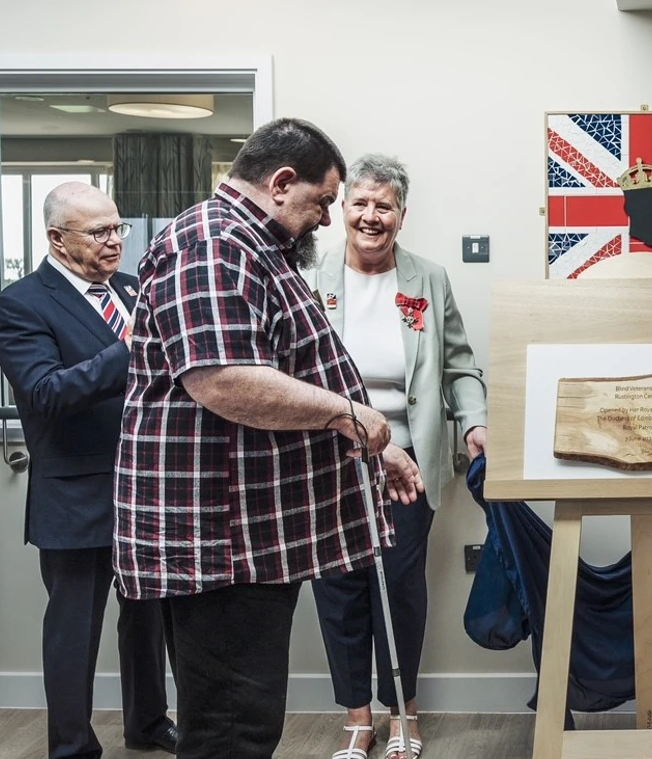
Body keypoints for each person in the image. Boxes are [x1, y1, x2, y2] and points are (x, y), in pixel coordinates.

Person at [113, 118, 422, 759]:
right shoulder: (212, 244)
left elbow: (290, 366)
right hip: (222, 542)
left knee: (246, 721)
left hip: (248, 538)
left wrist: (378, 446)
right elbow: (224, 381)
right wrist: (347, 413)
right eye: (324, 202)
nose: (329, 221)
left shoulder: (250, 247)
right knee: (233, 730)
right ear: (282, 184)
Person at [305, 154, 487, 759]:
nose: (371, 216)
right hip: (328, 456)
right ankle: (358, 720)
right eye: (360, 203)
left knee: (400, 585)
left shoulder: (427, 279)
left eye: (384, 205)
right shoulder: (308, 275)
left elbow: (459, 364)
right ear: (342, 210)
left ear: (402, 216)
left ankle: (404, 713)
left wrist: (475, 424)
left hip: (408, 460)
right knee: (339, 586)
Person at [0, 182, 178, 757]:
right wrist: (133, 347)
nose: (116, 241)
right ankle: (71, 745)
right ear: (56, 238)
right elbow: (45, 393)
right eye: (99, 232)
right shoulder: (19, 304)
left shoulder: (132, 288)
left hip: (147, 489)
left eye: (118, 228)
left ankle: (147, 724)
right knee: (74, 631)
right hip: (75, 495)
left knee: (146, 621)